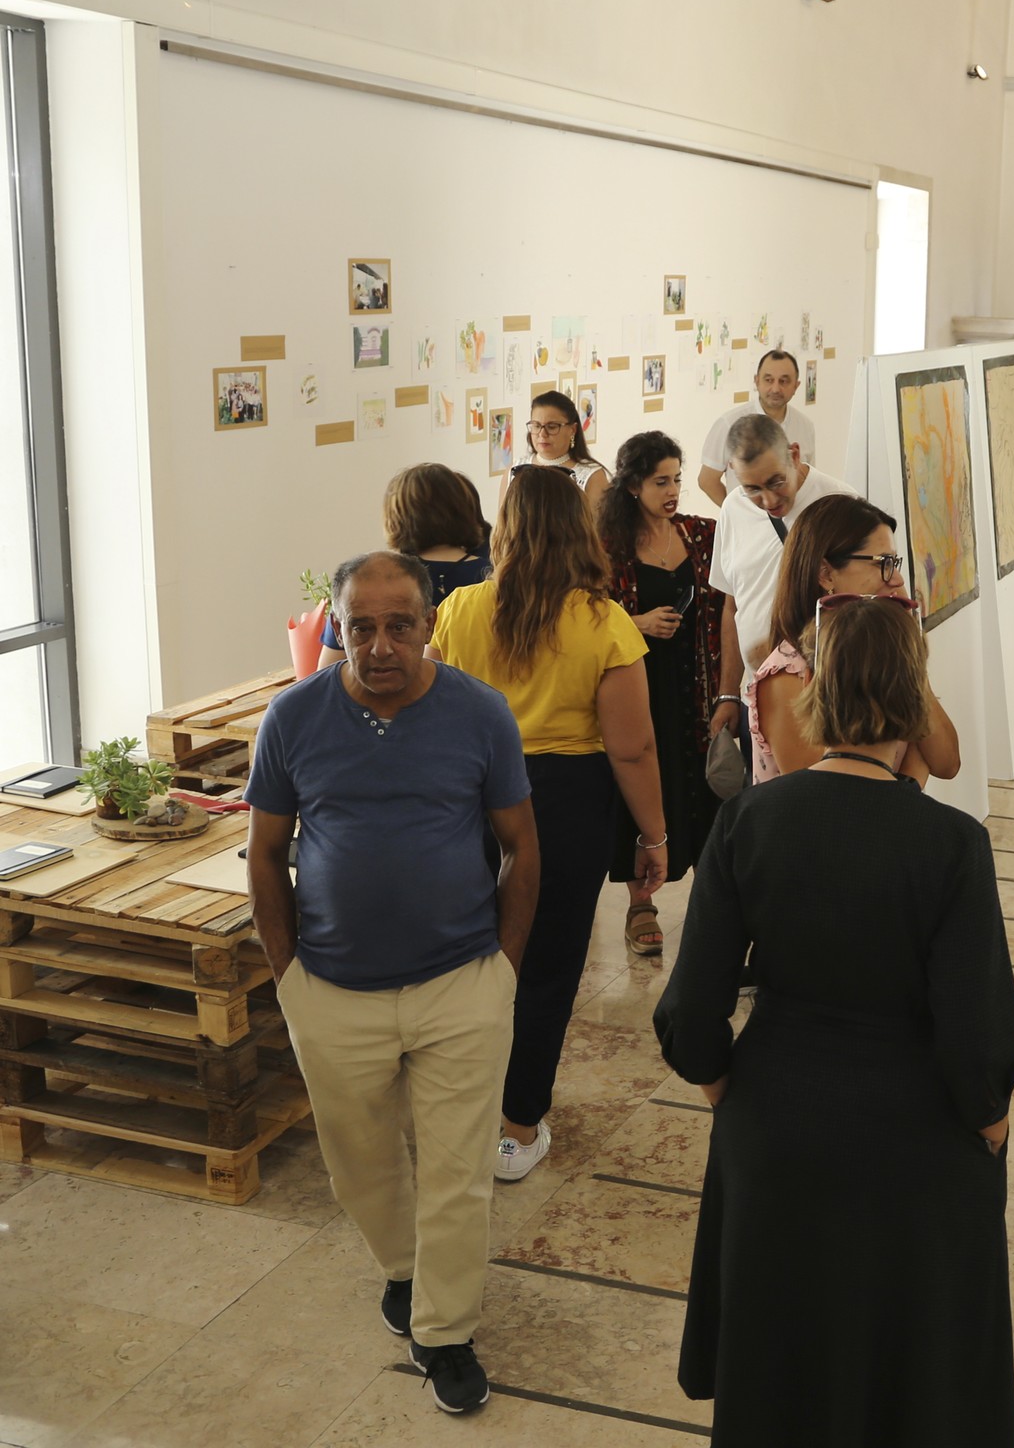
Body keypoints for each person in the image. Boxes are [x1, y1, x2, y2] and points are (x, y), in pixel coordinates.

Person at [654, 595, 1014, 1444]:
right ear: (912, 695)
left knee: (783, 1374)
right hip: (915, 1141)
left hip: (776, 1125)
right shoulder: (950, 844)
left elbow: (691, 1007)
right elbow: (976, 1034)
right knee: (912, 1382)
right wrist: (990, 1124)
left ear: (820, 690)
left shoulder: (749, 821)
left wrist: (728, 1092)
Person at [247, 552, 539, 1415]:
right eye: (361, 627)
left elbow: (521, 846)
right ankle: (405, 1272)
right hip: (333, 990)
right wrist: (289, 979)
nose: (380, 646)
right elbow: (265, 854)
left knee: (457, 1171)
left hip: (461, 983)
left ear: (428, 624)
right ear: (336, 628)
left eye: (398, 625)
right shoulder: (293, 719)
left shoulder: (480, 714)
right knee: (360, 1167)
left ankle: (445, 1333)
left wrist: (502, 971)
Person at [431, 467, 666, 1182]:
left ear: (504, 531)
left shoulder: (461, 608)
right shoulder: (604, 622)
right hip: (563, 801)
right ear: (579, 531)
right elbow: (631, 748)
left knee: (470, 962)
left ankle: (457, 1115)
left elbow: (432, 712)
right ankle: (515, 1128)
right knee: (548, 966)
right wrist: (653, 837)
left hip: (471, 796)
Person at [598, 431, 727, 957]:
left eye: (676, 480)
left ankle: (714, 903)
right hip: (639, 685)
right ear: (632, 485)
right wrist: (639, 623)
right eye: (660, 482)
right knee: (645, 787)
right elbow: (588, 617)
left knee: (706, 790)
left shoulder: (702, 534)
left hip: (697, 685)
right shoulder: (608, 546)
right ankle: (640, 903)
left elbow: (731, 603)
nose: (672, 491)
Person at [747, 494, 962, 788]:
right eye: (883, 563)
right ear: (825, 574)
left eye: (894, 562)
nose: (897, 579)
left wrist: (909, 653)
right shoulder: (787, 675)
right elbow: (827, 798)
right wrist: (911, 779)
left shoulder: (881, 649)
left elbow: (947, 763)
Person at [709, 412, 856, 728]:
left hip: (824, 697)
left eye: (776, 481)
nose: (768, 499)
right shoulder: (733, 509)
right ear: (733, 471)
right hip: (757, 699)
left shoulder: (841, 503)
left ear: (794, 454)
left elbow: (862, 604)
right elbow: (733, 607)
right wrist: (728, 694)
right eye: (752, 488)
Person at [316, 463, 494, 669]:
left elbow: (326, 671)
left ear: (396, 518)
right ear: (464, 510)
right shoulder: (493, 576)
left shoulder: (368, 579)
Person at [696, 348, 815, 508]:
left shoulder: (805, 425)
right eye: (768, 380)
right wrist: (738, 513)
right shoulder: (728, 424)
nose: (775, 388)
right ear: (757, 381)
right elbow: (707, 480)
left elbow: (807, 478)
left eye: (784, 381)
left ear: (796, 386)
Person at [512, 390, 608, 511]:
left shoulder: (592, 476)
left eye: (552, 427)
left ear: (572, 429)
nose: (542, 434)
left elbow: (598, 523)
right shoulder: (515, 469)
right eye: (536, 426)